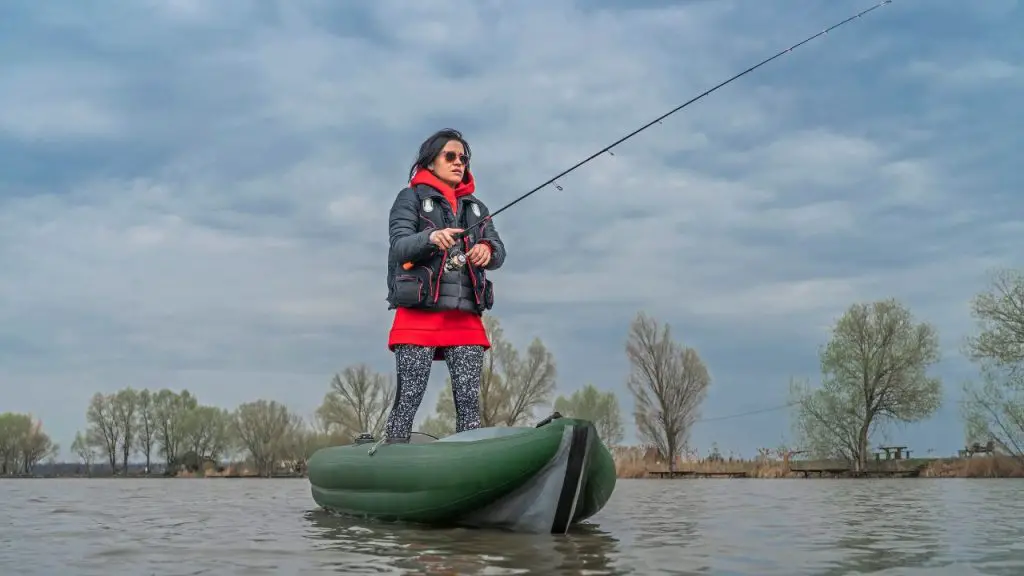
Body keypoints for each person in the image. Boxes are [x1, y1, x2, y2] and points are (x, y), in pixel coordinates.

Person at [383, 128, 506, 443]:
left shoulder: (476, 207)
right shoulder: (409, 198)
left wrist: (487, 251)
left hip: (465, 317)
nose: (458, 163)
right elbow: (399, 246)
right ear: (431, 161)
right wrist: (430, 238)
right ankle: (393, 454)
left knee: (468, 403)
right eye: (450, 156)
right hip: (418, 316)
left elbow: (498, 250)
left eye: (463, 158)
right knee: (409, 397)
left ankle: (471, 461)